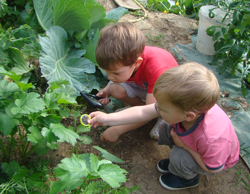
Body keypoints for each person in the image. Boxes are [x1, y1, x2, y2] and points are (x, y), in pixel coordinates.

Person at [88, 62, 240, 190]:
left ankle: (187, 178)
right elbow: (142, 112)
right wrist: (107, 118)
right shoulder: (183, 108)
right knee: (165, 126)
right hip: (193, 142)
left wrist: (185, 147)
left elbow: (213, 167)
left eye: (162, 109)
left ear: (188, 116)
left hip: (211, 160)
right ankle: (180, 164)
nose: (157, 109)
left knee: (179, 157)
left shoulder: (212, 138)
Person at [95, 22, 178, 142]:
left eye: (115, 73)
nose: (110, 77)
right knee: (115, 89)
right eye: (107, 72)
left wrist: (117, 130)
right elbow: (115, 78)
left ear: (137, 64)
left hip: (169, 95)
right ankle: (136, 109)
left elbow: (149, 111)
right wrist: (106, 92)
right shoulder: (126, 60)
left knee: (160, 110)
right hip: (148, 88)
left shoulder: (157, 69)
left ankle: (164, 118)